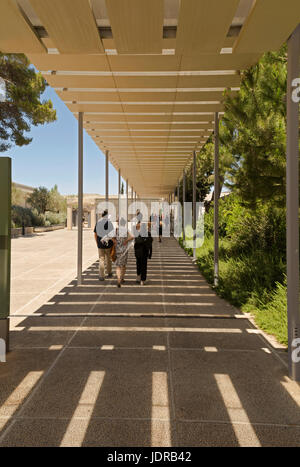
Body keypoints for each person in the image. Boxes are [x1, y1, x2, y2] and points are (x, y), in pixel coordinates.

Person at [94, 210, 114, 281]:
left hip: (100, 244)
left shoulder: (98, 223)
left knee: (101, 259)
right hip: (108, 244)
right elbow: (112, 234)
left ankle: (101, 276)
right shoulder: (109, 223)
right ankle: (109, 272)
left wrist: (97, 242)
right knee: (108, 259)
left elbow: (95, 234)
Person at [113, 218, 134, 288]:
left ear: (118, 223)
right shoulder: (126, 230)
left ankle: (118, 279)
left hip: (117, 249)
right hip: (124, 250)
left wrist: (115, 241)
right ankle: (122, 278)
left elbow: (111, 238)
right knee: (123, 265)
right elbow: (132, 236)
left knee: (118, 266)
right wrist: (126, 240)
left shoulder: (116, 230)